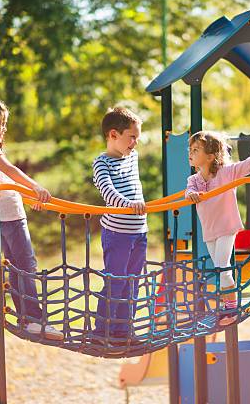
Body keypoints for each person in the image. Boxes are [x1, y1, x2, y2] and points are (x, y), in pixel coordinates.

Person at [0, 96, 63, 340]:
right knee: (25, 266)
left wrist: (30, 196)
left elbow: (3, 185)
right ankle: (34, 319)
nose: (5, 128)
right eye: (2, 123)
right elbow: (11, 172)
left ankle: (28, 318)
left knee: (16, 267)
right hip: (11, 219)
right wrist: (36, 187)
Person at [185, 131, 250, 324]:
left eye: (195, 150)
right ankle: (228, 307)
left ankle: (231, 309)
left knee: (223, 268)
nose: (190, 153)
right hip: (209, 231)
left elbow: (248, 165)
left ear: (210, 156)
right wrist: (190, 195)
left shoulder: (226, 173)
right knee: (219, 269)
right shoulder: (194, 180)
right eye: (190, 150)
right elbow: (188, 192)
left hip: (227, 226)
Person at [92, 107, 147, 345]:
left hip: (140, 232)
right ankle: (101, 331)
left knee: (132, 283)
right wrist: (129, 204)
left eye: (137, 137)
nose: (135, 142)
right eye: (131, 137)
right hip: (117, 233)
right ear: (113, 135)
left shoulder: (132, 157)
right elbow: (109, 193)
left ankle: (123, 332)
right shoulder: (101, 163)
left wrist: (136, 207)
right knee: (115, 282)